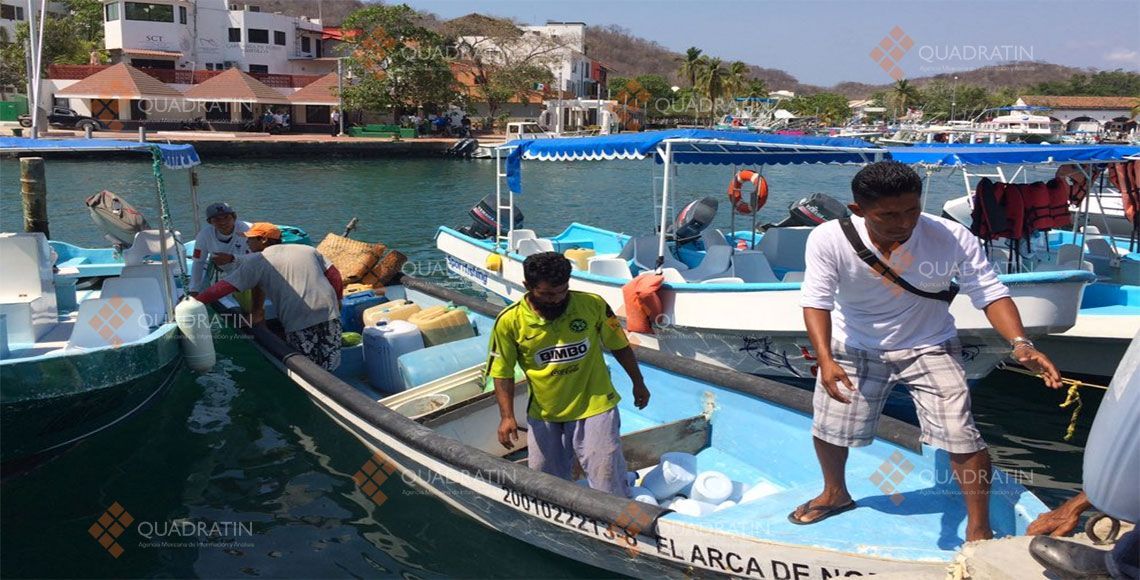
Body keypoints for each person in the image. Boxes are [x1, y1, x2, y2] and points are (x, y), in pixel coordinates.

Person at [793, 161, 1061, 541]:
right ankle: (835, 492)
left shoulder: (950, 236)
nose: (904, 223)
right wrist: (825, 359)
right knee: (831, 426)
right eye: (888, 215)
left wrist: (1021, 343)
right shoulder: (829, 238)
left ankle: (979, 528)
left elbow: (989, 292)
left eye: (912, 210)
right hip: (855, 344)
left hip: (929, 345)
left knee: (961, 435)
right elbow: (816, 301)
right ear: (858, 210)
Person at [488, 252, 650, 496]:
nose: (556, 299)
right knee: (544, 484)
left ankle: (619, 512)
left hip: (595, 404)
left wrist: (638, 383)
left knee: (606, 480)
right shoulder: (509, 321)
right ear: (527, 286)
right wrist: (507, 416)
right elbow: (502, 372)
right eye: (547, 294)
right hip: (545, 412)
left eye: (562, 291)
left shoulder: (592, 305)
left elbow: (619, 345)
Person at [194, 223, 345, 371]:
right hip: (330, 311)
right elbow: (334, 275)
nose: (247, 243)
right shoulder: (307, 249)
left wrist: (195, 301)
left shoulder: (258, 260)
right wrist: (338, 300)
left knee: (306, 366)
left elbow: (224, 287)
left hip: (299, 318)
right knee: (330, 359)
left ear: (263, 240)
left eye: (250, 239)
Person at [189, 202, 252, 294]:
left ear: (234, 217)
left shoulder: (249, 230)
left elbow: (260, 258)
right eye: (217, 219)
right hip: (223, 272)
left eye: (226, 217)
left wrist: (232, 258)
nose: (223, 222)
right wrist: (194, 290)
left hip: (249, 271)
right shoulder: (204, 235)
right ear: (210, 222)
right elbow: (198, 262)